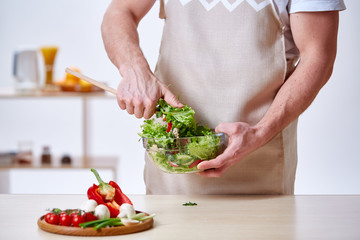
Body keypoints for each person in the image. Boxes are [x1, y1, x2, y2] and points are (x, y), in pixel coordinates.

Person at [101, 0, 346, 194]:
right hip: (172, 173)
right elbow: (120, 11)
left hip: (259, 174)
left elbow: (318, 57)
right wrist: (135, 69)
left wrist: (259, 133)